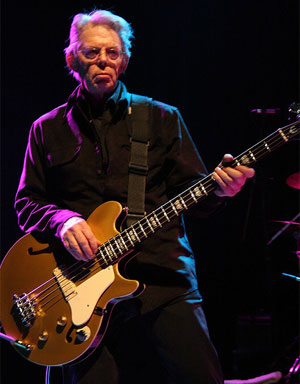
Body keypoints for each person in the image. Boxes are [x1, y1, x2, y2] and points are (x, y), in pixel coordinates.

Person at [14, 9, 255, 384]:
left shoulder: (160, 117)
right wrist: (63, 221)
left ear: (125, 60)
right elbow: (26, 203)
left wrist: (222, 190)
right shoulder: (46, 129)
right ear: (71, 58)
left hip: (162, 278)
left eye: (112, 53)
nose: (103, 62)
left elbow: (199, 197)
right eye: (92, 53)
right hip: (80, 287)